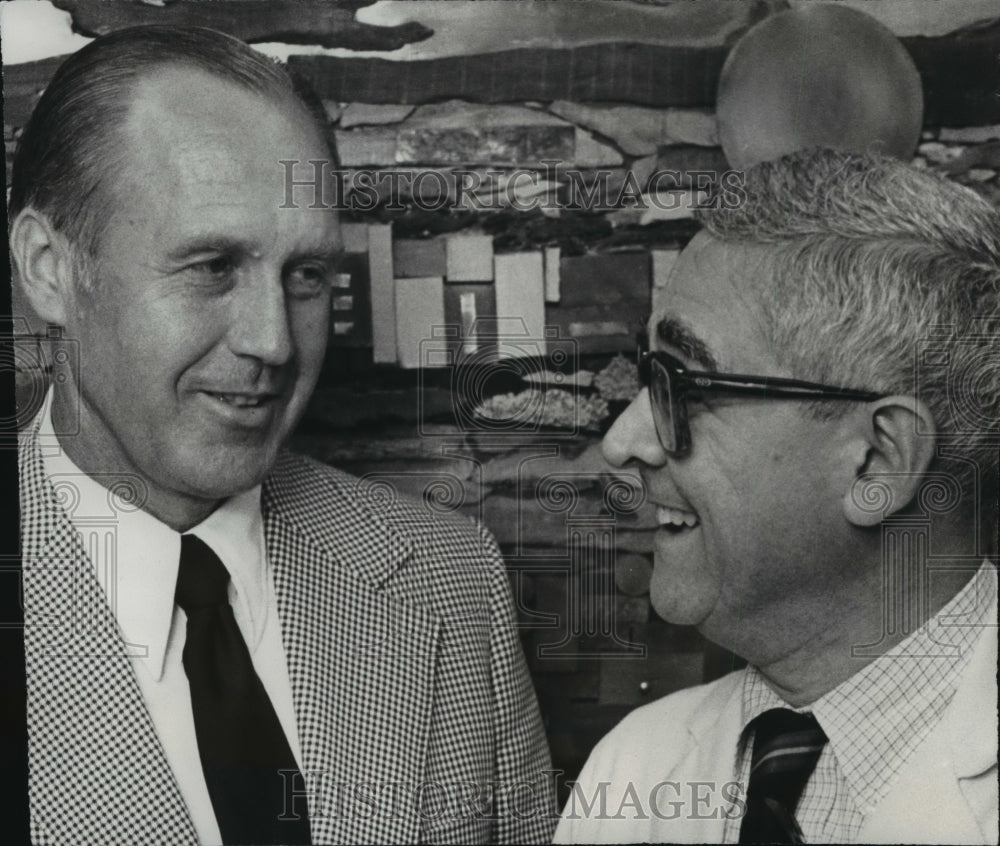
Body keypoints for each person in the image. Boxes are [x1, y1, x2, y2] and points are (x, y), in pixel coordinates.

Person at [10, 26, 554, 845]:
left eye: (307, 277)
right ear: (51, 269)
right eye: (212, 267)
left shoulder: (453, 580)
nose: (273, 340)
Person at [555, 149, 999, 844]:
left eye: (683, 385)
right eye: (649, 375)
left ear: (878, 461)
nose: (624, 441)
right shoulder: (634, 769)